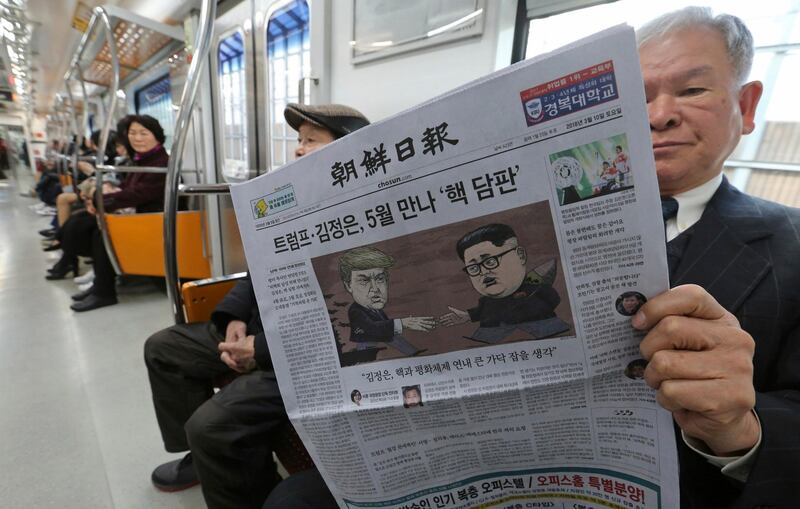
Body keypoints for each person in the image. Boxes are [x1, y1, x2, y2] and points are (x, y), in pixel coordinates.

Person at [264, 8, 800, 509]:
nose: (659, 116)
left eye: (691, 90)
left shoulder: (789, 245)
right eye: (636, 96)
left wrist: (741, 431)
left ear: (746, 106)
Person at [143, 103, 370, 508]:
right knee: (165, 347)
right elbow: (257, 270)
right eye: (298, 141)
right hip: (256, 326)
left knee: (213, 426)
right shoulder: (294, 201)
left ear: (346, 149)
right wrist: (232, 317)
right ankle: (200, 460)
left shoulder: (364, 217)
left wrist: (260, 350)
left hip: (303, 354)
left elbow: (340, 320)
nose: (298, 150)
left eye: (311, 141)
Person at [47, 115, 169, 313]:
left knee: (101, 232)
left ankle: (104, 292)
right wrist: (99, 200)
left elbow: (139, 194)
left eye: (143, 133)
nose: (137, 138)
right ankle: (93, 279)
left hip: (152, 220)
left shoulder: (160, 163)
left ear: (157, 136)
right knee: (79, 219)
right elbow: (128, 189)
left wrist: (101, 201)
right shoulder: (141, 160)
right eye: (132, 133)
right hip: (138, 215)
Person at [439, 223, 568, 343]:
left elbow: (553, 299)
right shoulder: (486, 302)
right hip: (491, 333)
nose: (483, 272)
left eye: (489, 261)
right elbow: (481, 311)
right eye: (473, 268)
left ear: (520, 256)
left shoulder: (536, 289)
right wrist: (467, 316)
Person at [339, 246, 434, 360]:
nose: (375, 288)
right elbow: (371, 328)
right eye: (364, 280)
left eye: (380, 279)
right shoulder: (355, 310)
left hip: (380, 334)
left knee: (393, 336)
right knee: (368, 353)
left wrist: (398, 325)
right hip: (366, 339)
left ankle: (413, 353)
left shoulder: (377, 310)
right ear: (348, 286)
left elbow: (385, 324)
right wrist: (402, 323)